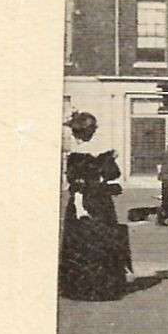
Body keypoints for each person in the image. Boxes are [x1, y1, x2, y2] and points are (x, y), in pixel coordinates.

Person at [59, 112, 132, 301]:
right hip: (98, 202)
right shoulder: (102, 151)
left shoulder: (74, 155)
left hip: (84, 202)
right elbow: (112, 174)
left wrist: (79, 205)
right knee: (101, 241)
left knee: (82, 244)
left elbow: (75, 185)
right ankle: (103, 286)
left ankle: (80, 287)